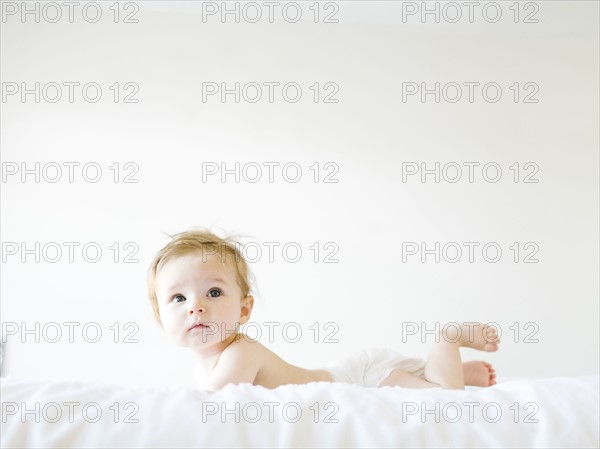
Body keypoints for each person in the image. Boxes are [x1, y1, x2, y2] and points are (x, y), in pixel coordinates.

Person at [147, 229, 498, 391]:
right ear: (160, 318)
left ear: (244, 309)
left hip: (362, 380)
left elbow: (209, 407)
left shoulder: (239, 353)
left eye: (213, 292)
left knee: (443, 401)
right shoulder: (202, 370)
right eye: (178, 299)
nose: (196, 306)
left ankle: (447, 340)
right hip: (343, 372)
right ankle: (451, 371)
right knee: (428, 384)